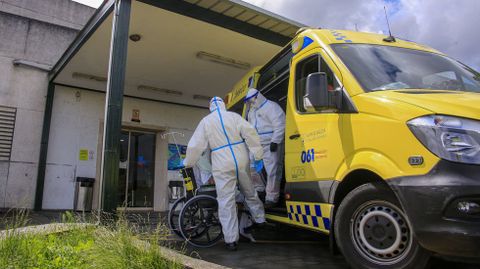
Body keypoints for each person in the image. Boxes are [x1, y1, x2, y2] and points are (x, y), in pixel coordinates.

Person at [183, 96, 266, 251]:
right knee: (249, 189)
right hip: (241, 156)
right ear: (224, 105)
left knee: (226, 201)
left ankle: (231, 240)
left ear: (210, 107)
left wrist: (188, 162)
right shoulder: (234, 117)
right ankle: (260, 218)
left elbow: (196, 145)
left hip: (221, 160)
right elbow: (251, 133)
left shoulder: (206, 122)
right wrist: (258, 154)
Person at [245, 88, 286, 208]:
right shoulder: (252, 111)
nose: (250, 103)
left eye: (251, 100)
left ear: (257, 97)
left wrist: (275, 140)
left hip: (271, 144)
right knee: (252, 167)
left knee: (272, 171)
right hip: (257, 145)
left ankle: (272, 198)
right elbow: (250, 128)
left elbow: (280, 124)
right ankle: (260, 190)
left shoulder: (272, 107)